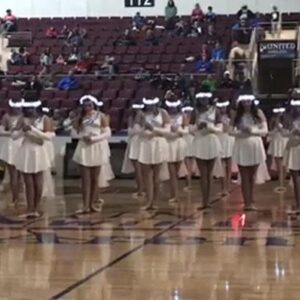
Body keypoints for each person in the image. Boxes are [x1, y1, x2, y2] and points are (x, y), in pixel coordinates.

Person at [14, 99, 55, 218]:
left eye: (32, 107)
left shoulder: (44, 119)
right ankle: (30, 208)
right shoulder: (22, 119)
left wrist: (33, 130)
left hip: (39, 151)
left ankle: (36, 208)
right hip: (26, 151)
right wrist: (23, 130)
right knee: (28, 183)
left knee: (38, 181)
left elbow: (49, 136)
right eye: (28, 108)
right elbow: (14, 136)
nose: (30, 110)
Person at [72, 95, 111, 213]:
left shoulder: (100, 116)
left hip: (96, 147)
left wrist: (95, 139)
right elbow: (73, 133)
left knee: (95, 178)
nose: (87, 107)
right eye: (85, 105)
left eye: (90, 105)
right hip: (84, 147)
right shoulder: (79, 117)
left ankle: (93, 203)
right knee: (85, 179)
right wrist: (83, 137)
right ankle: (85, 205)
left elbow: (107, 133)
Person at [231, 94, 268, 211]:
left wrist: (251, 130)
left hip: (255, 145)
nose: (246, 104)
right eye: (244, 101)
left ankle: (251, 199)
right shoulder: (237, 115)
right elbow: (230, 132)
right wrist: (242, 132)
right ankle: (247, 202)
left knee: (252, 176)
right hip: (242, 145)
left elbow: (265, 131)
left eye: (249, 101)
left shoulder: (258, 113)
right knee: (244, 175)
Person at [137, 97, 170, 210]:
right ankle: (148, 201)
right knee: (146, 176)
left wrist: (154, 130)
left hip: (158, 145)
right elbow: (136, 131)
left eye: (152, 104)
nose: (150, 106)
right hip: (145, 144)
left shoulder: (163, 113)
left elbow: (167, 130)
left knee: (156, 177)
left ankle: (154, 201)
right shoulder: (141, 114)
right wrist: (144, 129)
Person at [192, 92, 222, 209]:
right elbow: (189, 128)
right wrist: (197, 127)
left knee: (209, 174)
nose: (204, 100)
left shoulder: (215, 111)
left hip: (211, 140)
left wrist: (210, 127)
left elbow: (220, 128)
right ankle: (204, 200)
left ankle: (208, 199)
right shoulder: (196, 111)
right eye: (201, 98)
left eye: (205, 98)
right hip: (200, 142)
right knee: (203, 174)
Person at [164, 97, 188, 204]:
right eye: (171, 106)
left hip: (179, 143)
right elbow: (163, 129)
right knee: (172, 172)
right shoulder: (165, 116)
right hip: (169, 143)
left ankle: (176, 193)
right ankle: (174, 195)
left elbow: (186, 130)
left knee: (177, 172)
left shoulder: (182, 116)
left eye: (174, 106)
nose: (173, 108)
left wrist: (179, 130)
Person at [0, 99, 23, 207]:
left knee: (16, 174)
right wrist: (12, 133)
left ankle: (17, 198)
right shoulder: (7, 116)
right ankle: (16, 198)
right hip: (13, 144)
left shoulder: (16, 116)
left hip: (18, 144)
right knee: (15, 174)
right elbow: (1, 132)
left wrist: (11, 133)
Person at [121, 103, 145, 198]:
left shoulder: (143, 116)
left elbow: (141, 130)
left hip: (140, 143)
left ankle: (141, 189)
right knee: (137, 169)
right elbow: (130, 132)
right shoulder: (131, 117)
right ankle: (140, 188)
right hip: (133, 143)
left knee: (140, 169)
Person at [284, 100, 300, 213]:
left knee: (296, 178)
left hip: (296, 146)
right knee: (295, 178)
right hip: (294, 147)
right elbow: (285, 133)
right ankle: (298, 205)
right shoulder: (290, 119)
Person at [216, 100, 235, 195]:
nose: (223, 108)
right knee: (221, 164)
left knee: (229, 164)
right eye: (221, 107)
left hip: (229, 139)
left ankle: (227, 186)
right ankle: (223, 187)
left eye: (224, 106)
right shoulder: (217, 116)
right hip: (220, 139)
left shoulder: (230, 116)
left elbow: (231, 128)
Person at [267, 107, 289, 191]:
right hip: (276, 143)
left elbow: (286, 133)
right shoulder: (273, 120)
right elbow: (270, 133)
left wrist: (279, 126)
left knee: (284, 166)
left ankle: (283, 183)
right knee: (279, 166)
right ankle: (281, 184)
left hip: (284, 143)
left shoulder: (287, 121)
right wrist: (274, 124)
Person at [181, 103, 195, 191]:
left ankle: (189, 184)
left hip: (191, 143)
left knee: (190, 165)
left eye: (189, 112)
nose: (187, 114)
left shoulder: (193, 122)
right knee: (186, 165)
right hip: (185, 143)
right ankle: (188, 183)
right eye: (186, 112)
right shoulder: (183, 122)